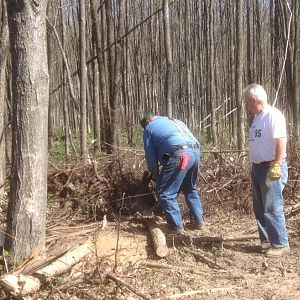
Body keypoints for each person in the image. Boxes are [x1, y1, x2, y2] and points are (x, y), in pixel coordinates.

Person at [243, 83, 289, 258]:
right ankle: (267, 240)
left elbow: (281, 141)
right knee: (260, 207)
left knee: (272, 206)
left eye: (248, 102)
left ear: (255, 100)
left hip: (271, 166)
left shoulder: (273, 115)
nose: (247, 106)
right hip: (257, 167)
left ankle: (281, 244)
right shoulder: (257, 118)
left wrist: (277, 163)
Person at [140, 114, 205, 234]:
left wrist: (156, 174)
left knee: (166, 193)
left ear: (147, 123)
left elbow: (150, 157)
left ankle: (176, 227)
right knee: (189, 188)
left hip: (181, 155)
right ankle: (199, 221)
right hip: (195, 153)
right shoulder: (176, 121)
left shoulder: (149, 128)